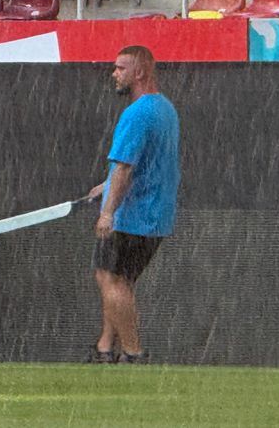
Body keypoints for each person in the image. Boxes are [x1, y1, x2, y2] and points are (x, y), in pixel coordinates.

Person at [85, 46, 180, 364]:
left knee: (109, 278)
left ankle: (134, 353)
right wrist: (107, 185)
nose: (114, 74)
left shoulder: (136, 113)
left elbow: (125, 166)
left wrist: (108, 212)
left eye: (120, 68)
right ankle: (104, 348)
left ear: (140, 72)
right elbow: (147, 163)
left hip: (132, 215)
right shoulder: (165, 108)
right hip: (157, 215)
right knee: (120, 281)